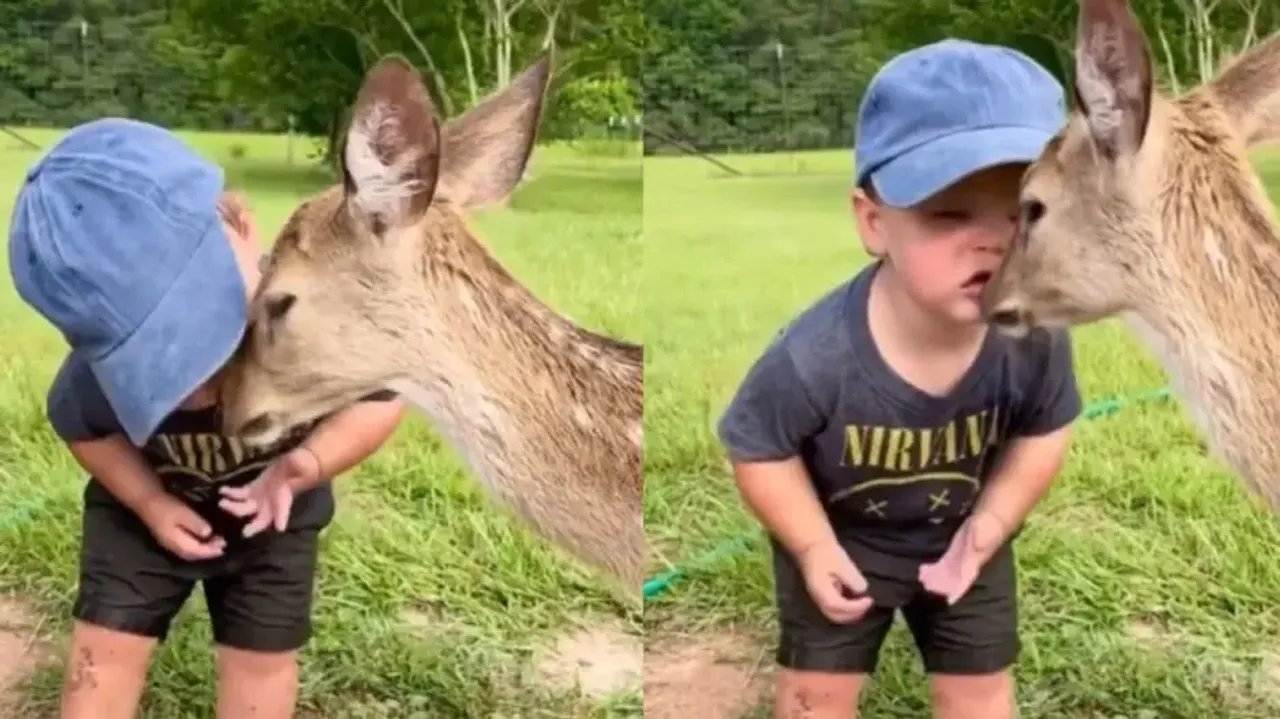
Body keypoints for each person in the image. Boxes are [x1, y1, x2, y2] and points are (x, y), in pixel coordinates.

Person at [716, 39, 1082, 719]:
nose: (994, 241)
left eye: (1024, 212)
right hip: (843, 540)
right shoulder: (814, 355)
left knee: (981, 692)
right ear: (874, 221)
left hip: (967, 534)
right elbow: (758, 446)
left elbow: (1045, 428)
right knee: (812, 697)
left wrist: (989, 526)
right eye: (950, 212)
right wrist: (811, 543)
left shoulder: (1034, 337)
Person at [7, 118, 407, 719]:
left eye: (201, 327)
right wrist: (147, 502)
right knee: (105, 650)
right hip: (141, 522)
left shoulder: (308, 325)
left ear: (240, 228)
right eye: (154, 359)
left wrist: (304, 465)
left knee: (262, 660)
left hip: (273, 522)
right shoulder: (91, 382)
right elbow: (83, 428)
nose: (193, 381)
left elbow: (380, 401)